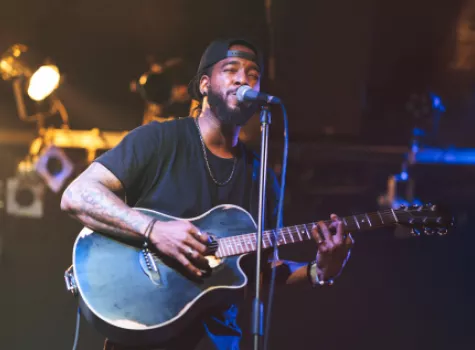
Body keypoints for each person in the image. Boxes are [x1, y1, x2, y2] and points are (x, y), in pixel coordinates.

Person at [60, 38, 354, 350]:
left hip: (218, 343)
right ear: (204, 84)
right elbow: (77, 195)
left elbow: (259, 273)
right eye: (231, 70)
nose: (243, 79)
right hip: (144, 334)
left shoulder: (262, 176)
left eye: (253, 74)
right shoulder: (160, 140)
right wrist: (153, 230)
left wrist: (319, 270)